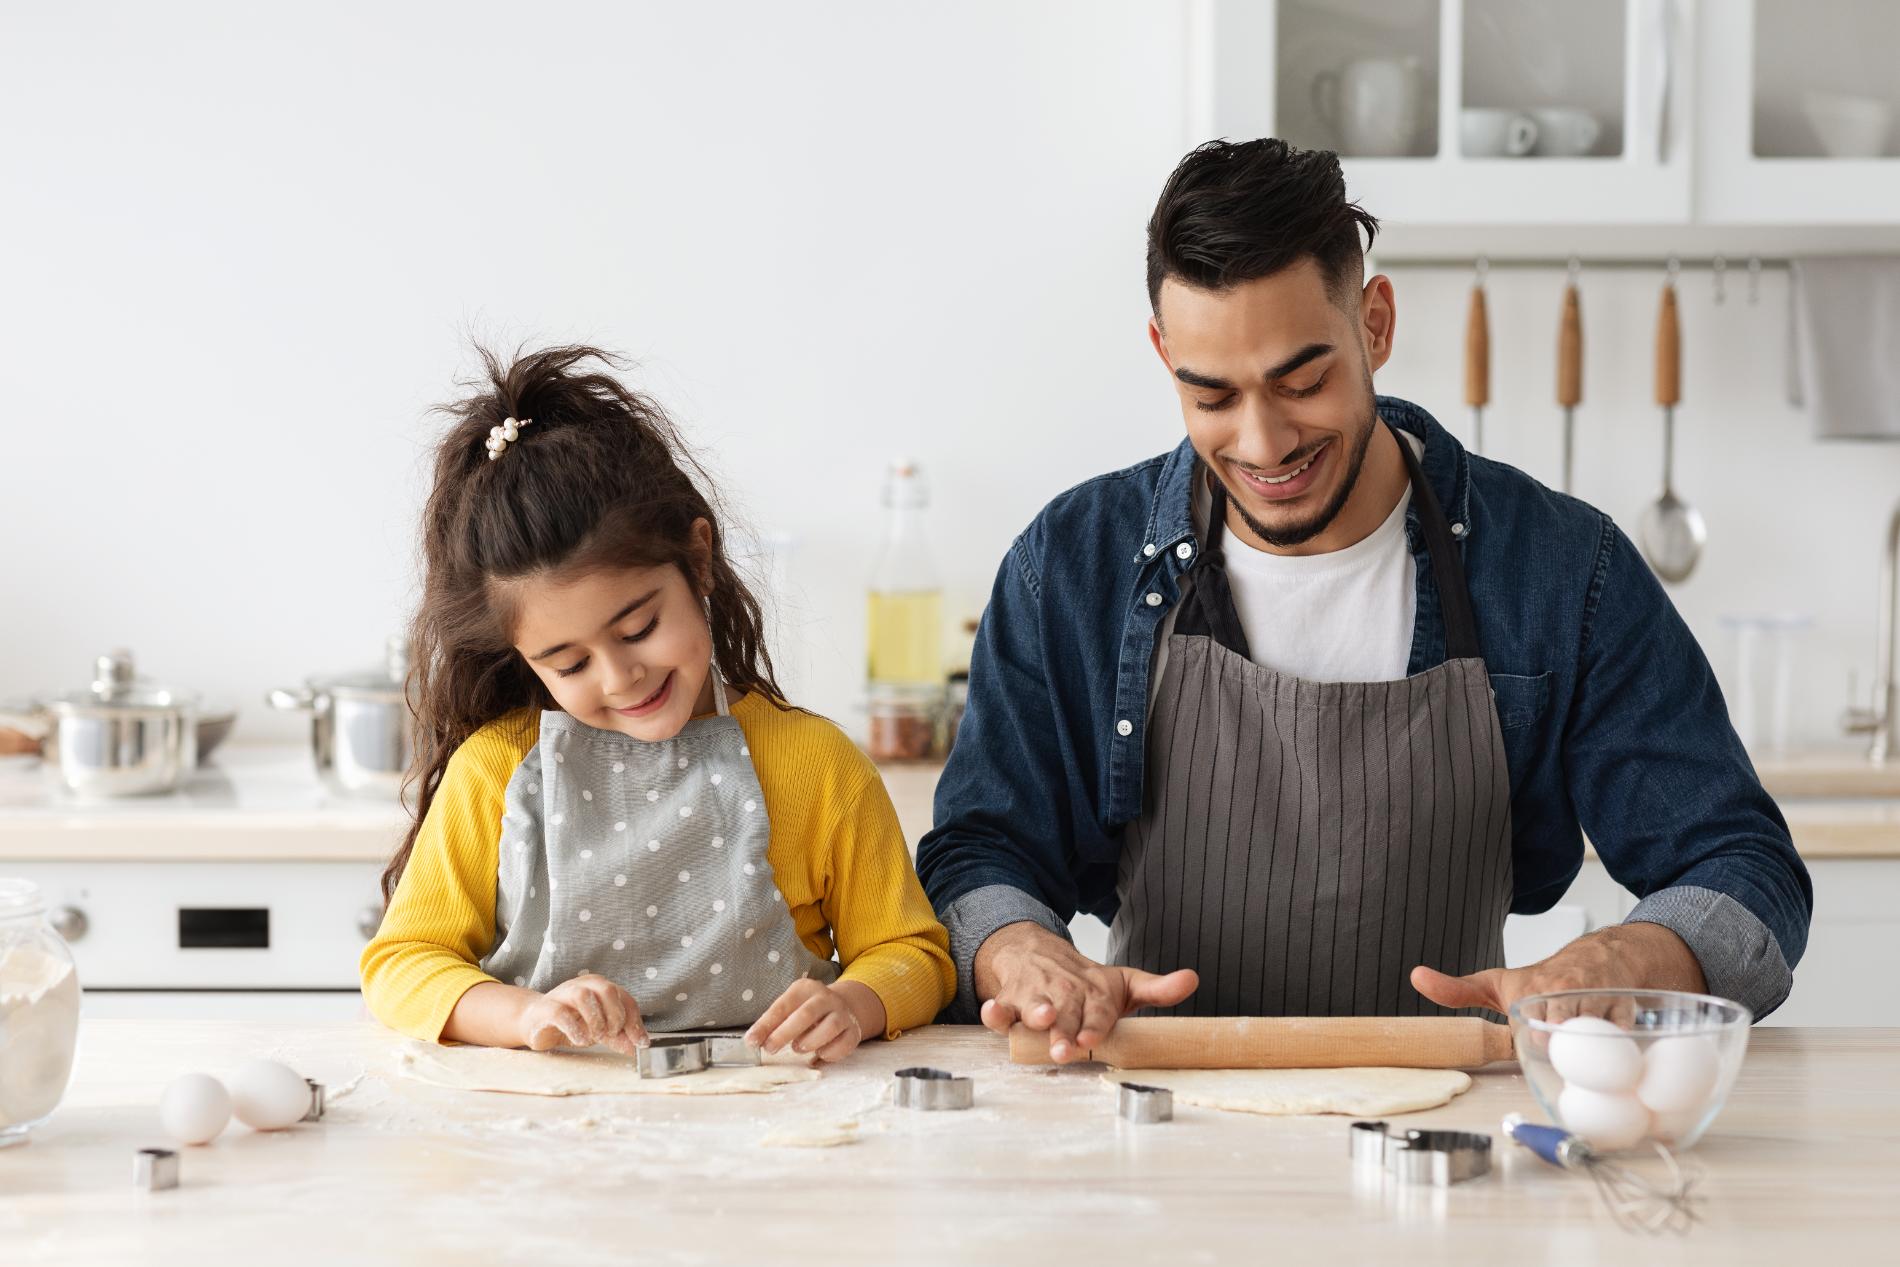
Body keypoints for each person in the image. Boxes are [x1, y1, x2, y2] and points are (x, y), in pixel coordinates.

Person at [918, 140, 1810, 1062]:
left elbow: (1745, 870)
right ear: (1163, 353)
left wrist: (1631, 957)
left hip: (1452, 1136)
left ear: (1374, 325)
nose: (1263, 444)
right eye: (1211, 395)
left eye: (1304, 382)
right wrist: (1019, 950)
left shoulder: (1560, 569)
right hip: (1152, 1130)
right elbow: (979, 854)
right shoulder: (1069, 566)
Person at [362, 346, 953, 1061]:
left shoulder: (814, 764)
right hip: (545, 1143)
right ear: (521, 657)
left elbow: (912, 952)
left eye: (639, 627)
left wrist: (853, 1005)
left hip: (769, 1125)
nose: (619, 678)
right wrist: (525, 1015)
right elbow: (401, 964)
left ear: (698, 559)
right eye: (568, 661)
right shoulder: (493, 773)